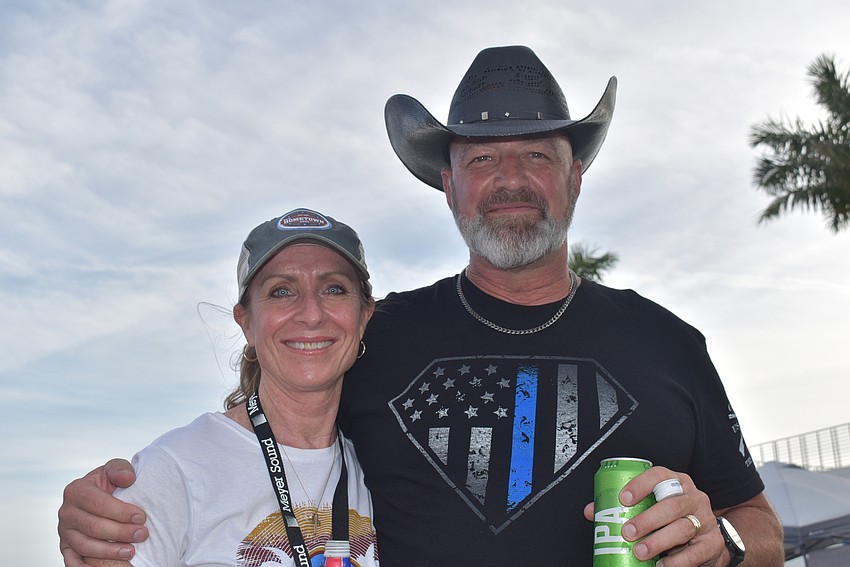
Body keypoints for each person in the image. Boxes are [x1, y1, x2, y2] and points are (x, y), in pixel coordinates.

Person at [59, 46, 783, 566]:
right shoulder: (378, 336)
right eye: (482, 159)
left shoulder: (669, 343)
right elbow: (255, 439)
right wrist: (110, 505)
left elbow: (763, 527)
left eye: (536, 155)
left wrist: (726, 542)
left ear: (577, 178)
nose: (510, 180)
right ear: (449, 186)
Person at [79, 208, 380, 567]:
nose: (312, 313)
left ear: (364, 317)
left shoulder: (381, 468)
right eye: (282, 291)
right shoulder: (176, 468)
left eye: (334, 289)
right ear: (247, 323)